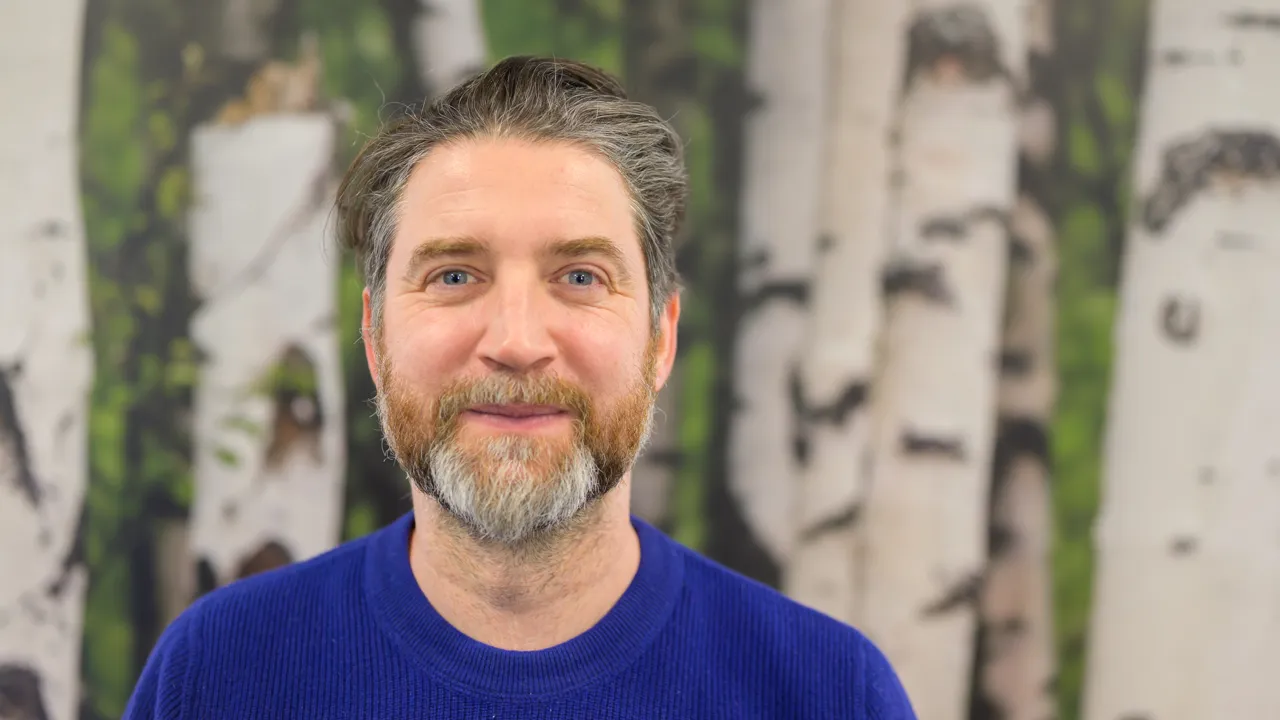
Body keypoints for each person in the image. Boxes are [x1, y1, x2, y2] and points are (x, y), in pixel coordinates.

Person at [123, 55, 916, 719]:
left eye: (579, 275)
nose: (514, 342)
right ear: (374, 336)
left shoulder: (829, 692)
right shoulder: (218, 673)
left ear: (660, 336)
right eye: (454, 274)